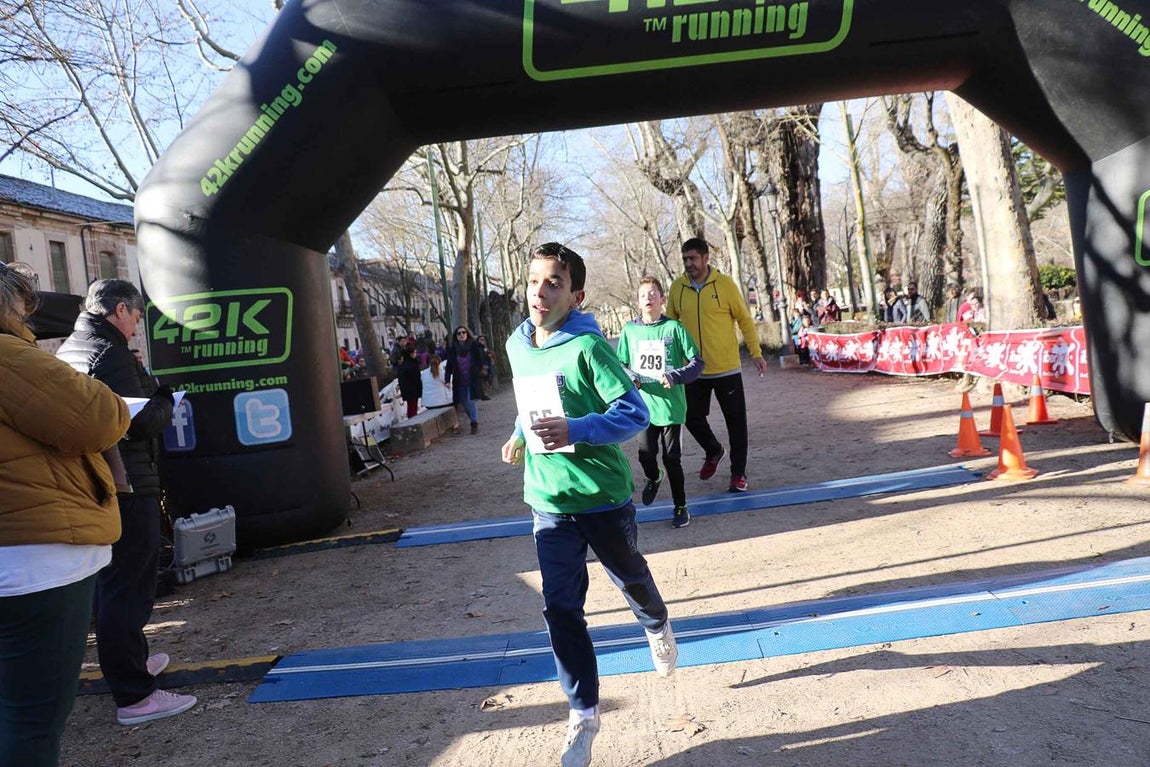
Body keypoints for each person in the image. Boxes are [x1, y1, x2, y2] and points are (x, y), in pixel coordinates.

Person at [501, 243, 677, 767]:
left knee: (630, 578)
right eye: (534, 280)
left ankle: (656, 624)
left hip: (602, 498)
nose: (540, 291)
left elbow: (634, 413)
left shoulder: (589, 348)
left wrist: (575, 429)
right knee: (560, 608)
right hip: (548, 500)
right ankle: (583, 714)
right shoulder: (517, 343)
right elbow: (532, 400)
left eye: (554, 282)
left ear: (575, 296)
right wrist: (517, 433)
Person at [0, 264, 131, 767]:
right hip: (35, 561)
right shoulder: (10, 358)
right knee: (31, 723)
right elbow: (102, 416)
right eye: (22, 306)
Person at [56, 279, 197, 726]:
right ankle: (134, 695)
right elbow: (136, 423)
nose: (137, 326)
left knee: (112, 584)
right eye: (136, 316)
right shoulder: (109, 352)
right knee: (129, 587)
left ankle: (130, 664)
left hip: (99, 481)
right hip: (127, 482)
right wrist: (166, 396)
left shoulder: (73, 348)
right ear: (120, 310)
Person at [666, 237, 767, 493]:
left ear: (705, 258)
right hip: (693, 369)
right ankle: (713, 450)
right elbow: (668, 325)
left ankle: (738, 474)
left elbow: (744, 319)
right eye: (685, 259)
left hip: (726, 368)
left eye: (693, 258)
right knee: (690, 417)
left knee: (736, 424)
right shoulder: (677, 288)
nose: (689, 263)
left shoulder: (725, 285)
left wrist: (755, 353)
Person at [616, 276, 703, 529]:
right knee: (645, 455)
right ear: (638, 301)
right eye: (644, 294)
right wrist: (632, 377)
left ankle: (680, 506)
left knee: (672, 458)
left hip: (671, 407)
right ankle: (653, 477)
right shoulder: (630, 331)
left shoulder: (675, 328)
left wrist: (675, 376)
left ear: (662, 299)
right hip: (643, 405)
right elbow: (621, 363)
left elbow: (697, 363)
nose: (648, 298)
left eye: (653, 293)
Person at [445, 325, 486, 435]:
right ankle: (473, 418)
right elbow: (449, 366)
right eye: (459, 333)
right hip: (459, 380)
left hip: (472, 379)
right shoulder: (453, 350)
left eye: (463, 332)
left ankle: (474, 423)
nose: (461, 335)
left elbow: (480, 360)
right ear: (456, 336)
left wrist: (478, 370)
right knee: (464, 402)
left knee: (471, 401)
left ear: (467, 334)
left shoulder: (474, 347)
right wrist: (447, 380)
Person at [396, 344, 423, 419]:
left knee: (411, 407)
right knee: (413, 408)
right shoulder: (413, 364)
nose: (415, 354)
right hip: (413, 389)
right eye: (414, 353)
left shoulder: (402, 365)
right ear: (411, 354)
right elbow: (416, 378)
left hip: (407, 390)